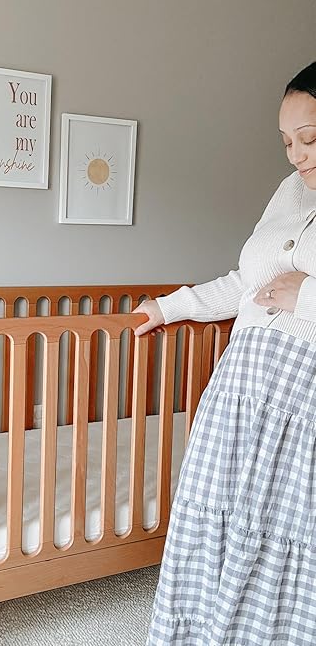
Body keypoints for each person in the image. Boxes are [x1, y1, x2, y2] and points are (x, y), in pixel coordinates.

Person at [135, 60, 316, 645]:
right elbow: (245, 281)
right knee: (211, 513)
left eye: (310, 139)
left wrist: (306, 295)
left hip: (301, 400)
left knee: (279, 527)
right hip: (240, 386)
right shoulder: (288, 192)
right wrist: (169, 307)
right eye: (286, 142)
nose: (296, 155)